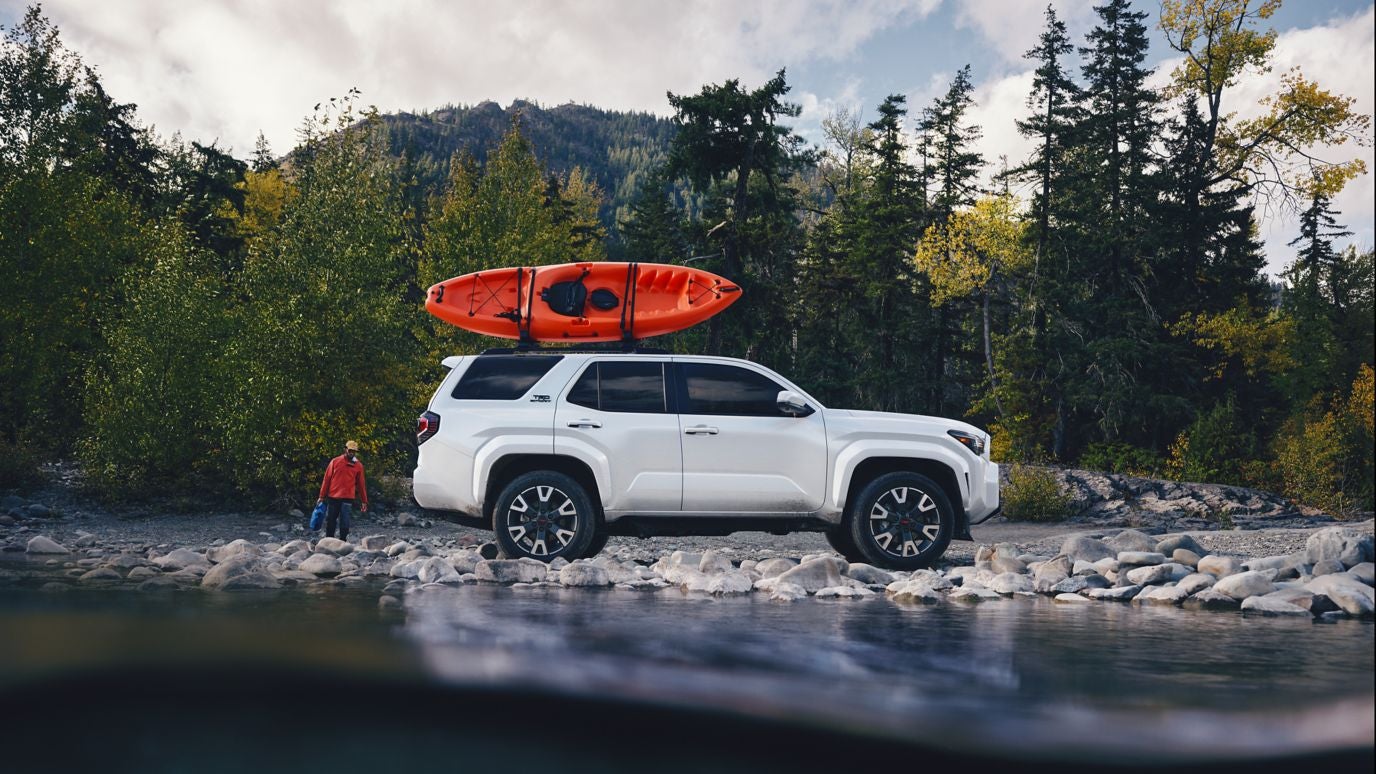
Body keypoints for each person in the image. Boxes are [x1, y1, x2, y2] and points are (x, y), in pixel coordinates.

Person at [317, 440, 368, 542]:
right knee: (331, 520)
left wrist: (364, 501)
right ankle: (329, 542)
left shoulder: (358, 466)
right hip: (333, 497)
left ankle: (343, 543)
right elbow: (326, 480)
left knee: (345, 522)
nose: (352, 453)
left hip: (348, 498)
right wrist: (321, 496)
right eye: (350, 450)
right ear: (345, 449)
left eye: (354, 451)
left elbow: (361, 485)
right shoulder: (335, 461)